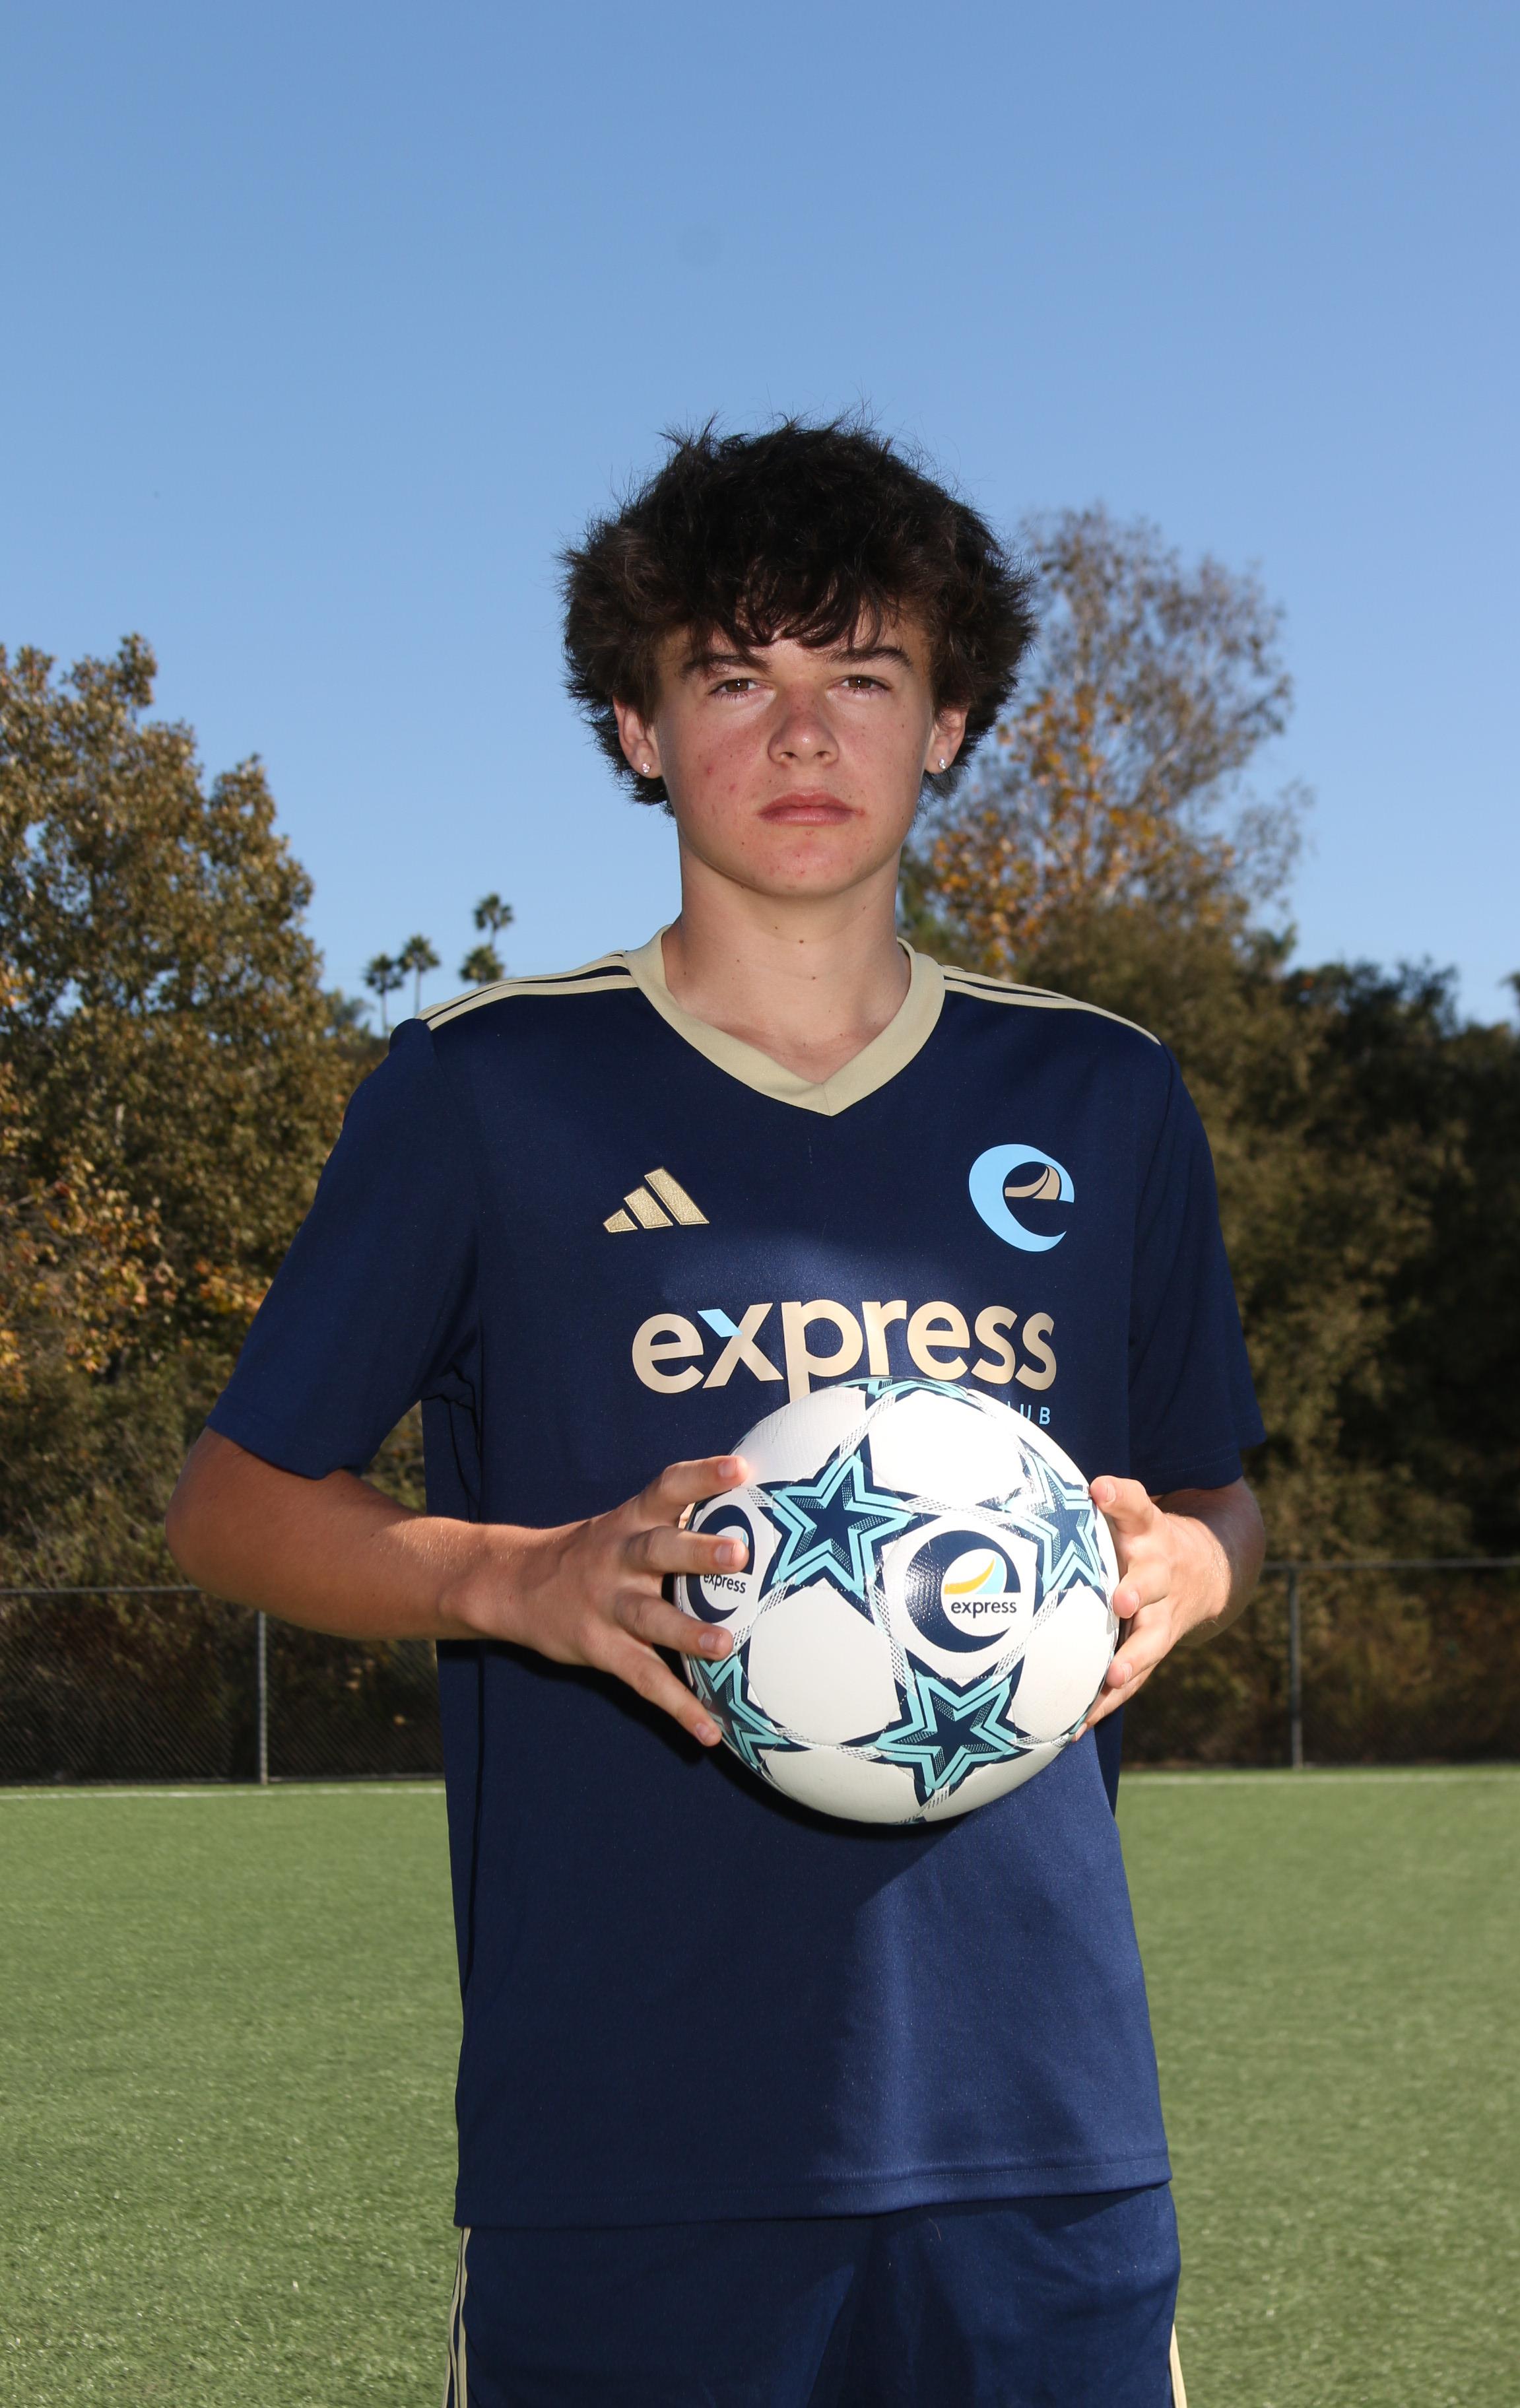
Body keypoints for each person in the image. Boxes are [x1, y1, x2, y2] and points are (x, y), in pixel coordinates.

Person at [166, 418, 1265, 2407]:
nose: (805, 734)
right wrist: (520, 1576)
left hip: (1043, 2136)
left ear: (950, 723)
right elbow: (231, 1503)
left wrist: (1194, 1562)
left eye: (868, 676)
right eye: (735, 677)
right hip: (627, 2146)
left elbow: (1218, 1493)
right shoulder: (485, 1090)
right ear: (639, 726)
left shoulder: (1103, 1097)